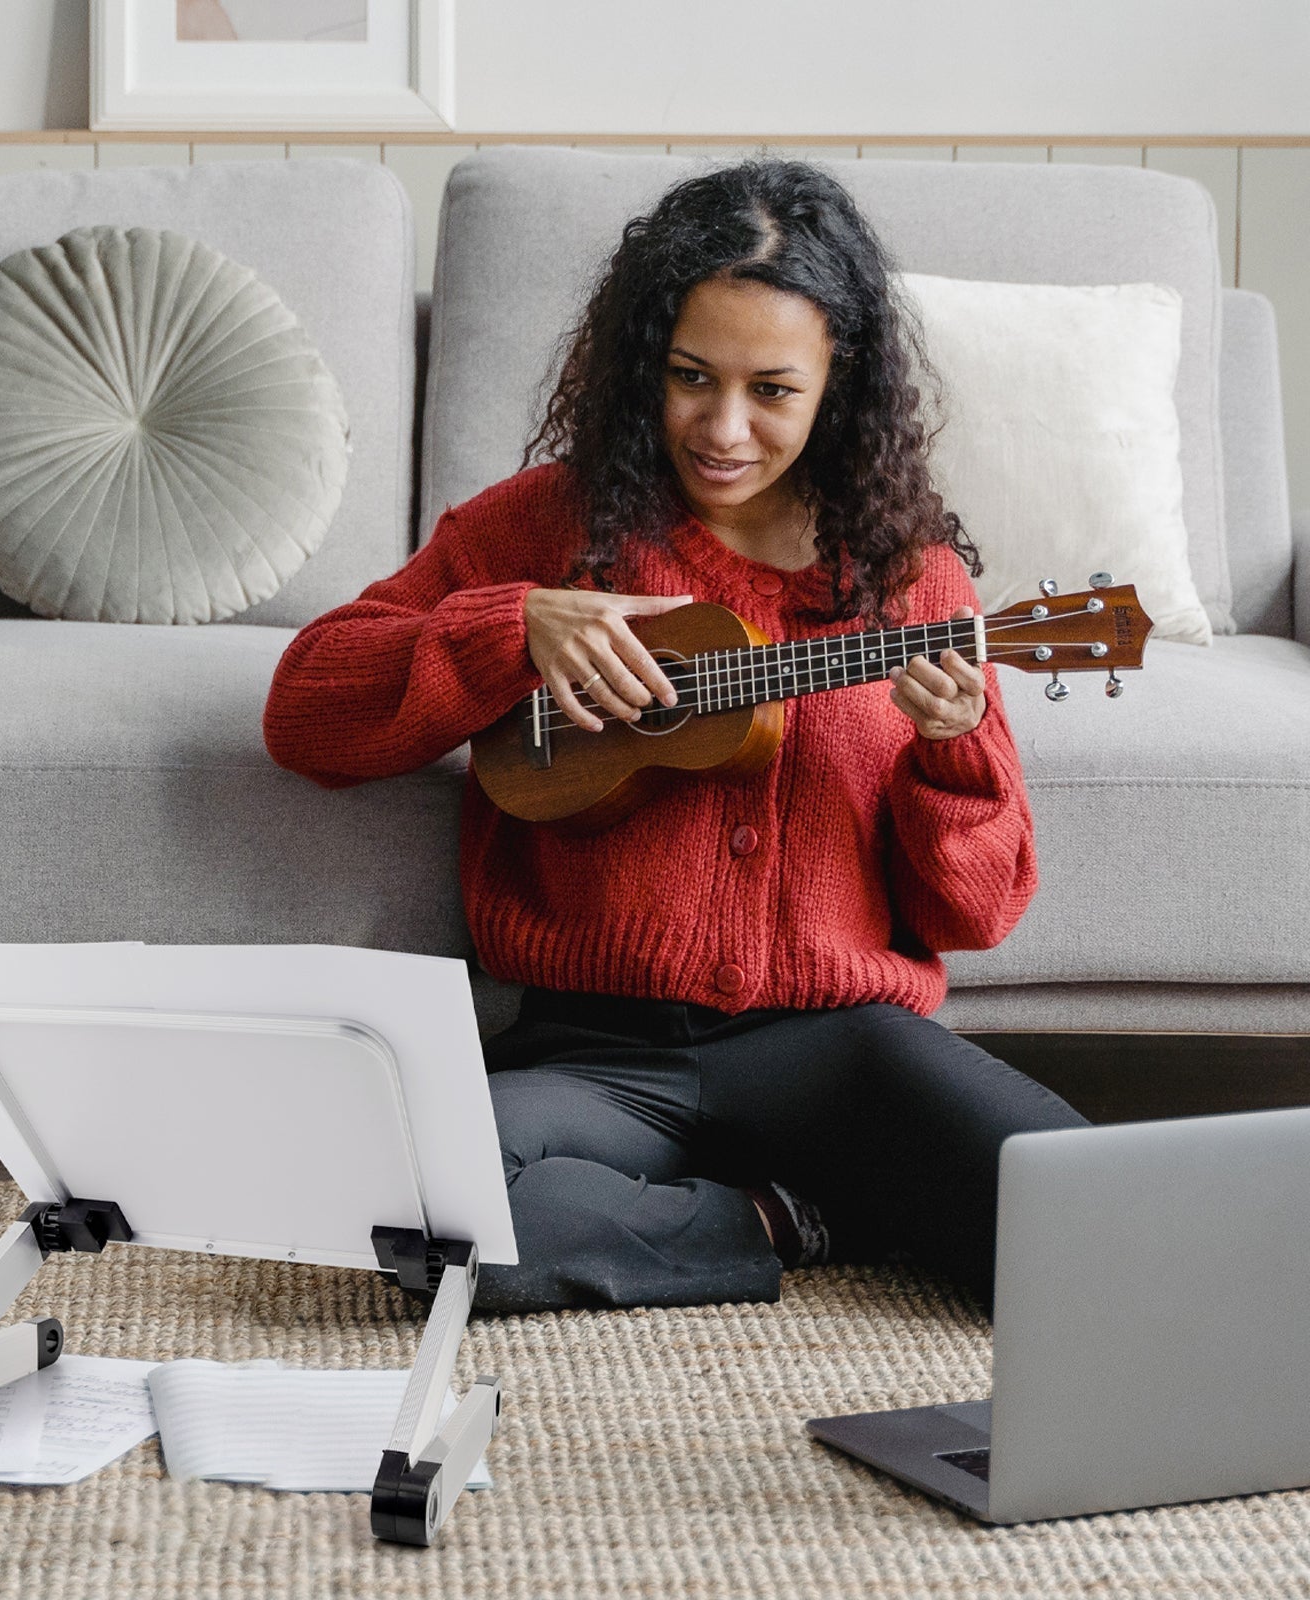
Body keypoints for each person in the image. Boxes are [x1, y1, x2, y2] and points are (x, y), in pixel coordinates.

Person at [263, 159, 1088, 1317]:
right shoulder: (551, 526)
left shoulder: (911, 581)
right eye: (689, 377)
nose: (723, 428)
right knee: (400, 1194)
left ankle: (783, 1188)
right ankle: (779, 1215)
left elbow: (976, 914)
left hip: (836, 1050)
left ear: (837, 381)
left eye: (772, 390)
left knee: (1096, 1226)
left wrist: (951, 753)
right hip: (596, 1057)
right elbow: (305, 710)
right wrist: (513, 626)